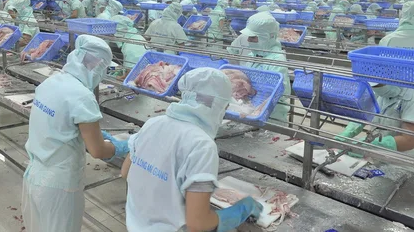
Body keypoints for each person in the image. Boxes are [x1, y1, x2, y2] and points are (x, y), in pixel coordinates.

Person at [122, 68, 262, 232]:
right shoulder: (201, 145)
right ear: (218, 106)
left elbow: (126, 172)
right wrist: (239, 211)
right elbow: (198, 223)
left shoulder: (153, 123)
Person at [22, 36, 129, 232]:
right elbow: (97, 151)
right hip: (59, 185)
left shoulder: (51, 82)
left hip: (34, 176)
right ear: (96, 66)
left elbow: (58, 124)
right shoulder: (82, 96)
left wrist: (89, 132)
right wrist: (125, 145)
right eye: (104, 68)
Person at [338, 84, 414, 162]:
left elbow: (408, 141)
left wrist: (367, 145)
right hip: (382, 156)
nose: (377, 89)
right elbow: (364, 111)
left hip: (411, 162)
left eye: (379, 85)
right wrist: (347, 133)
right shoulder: (378, 87)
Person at [239, 12, 291, 122]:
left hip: (271, 117)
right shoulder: (254, 55)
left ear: (267, 38)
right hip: (251, 112)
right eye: (249, 38)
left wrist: (253, 112)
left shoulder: (277, 61)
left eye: (253, 38)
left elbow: (272, 95)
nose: (248, 41)